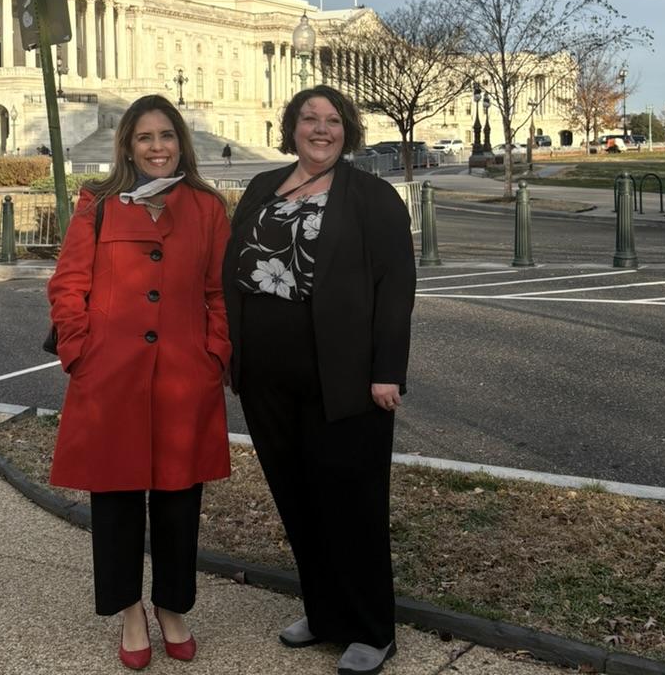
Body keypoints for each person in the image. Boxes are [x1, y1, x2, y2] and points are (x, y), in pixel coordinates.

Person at [223, 85, 416, 675]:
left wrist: (388, 372)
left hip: (345, 376)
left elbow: (395, 290)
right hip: (266, 374)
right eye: (310, 118)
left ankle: (370, 627)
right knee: (297, 496)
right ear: (292, 126)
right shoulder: (262, 187)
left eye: (333, 120)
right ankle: (324, 610)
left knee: (351, 501)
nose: (321, 129)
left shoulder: (373, 197)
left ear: (348, 131)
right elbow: (234, 267)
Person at [48, 94, 231, 670]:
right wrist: (80, 351)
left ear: (182, 143)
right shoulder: (97, 204)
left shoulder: (206, 207)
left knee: (180, 499)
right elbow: (68, 283)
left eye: (167, 136)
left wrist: (215, 355)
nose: (157, 147)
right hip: (111, 377)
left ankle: (172, 607)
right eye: (145, 137)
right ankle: (129, 610)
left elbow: (218, 292)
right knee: (117, 500)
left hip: (183, 376)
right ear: (127, 145)